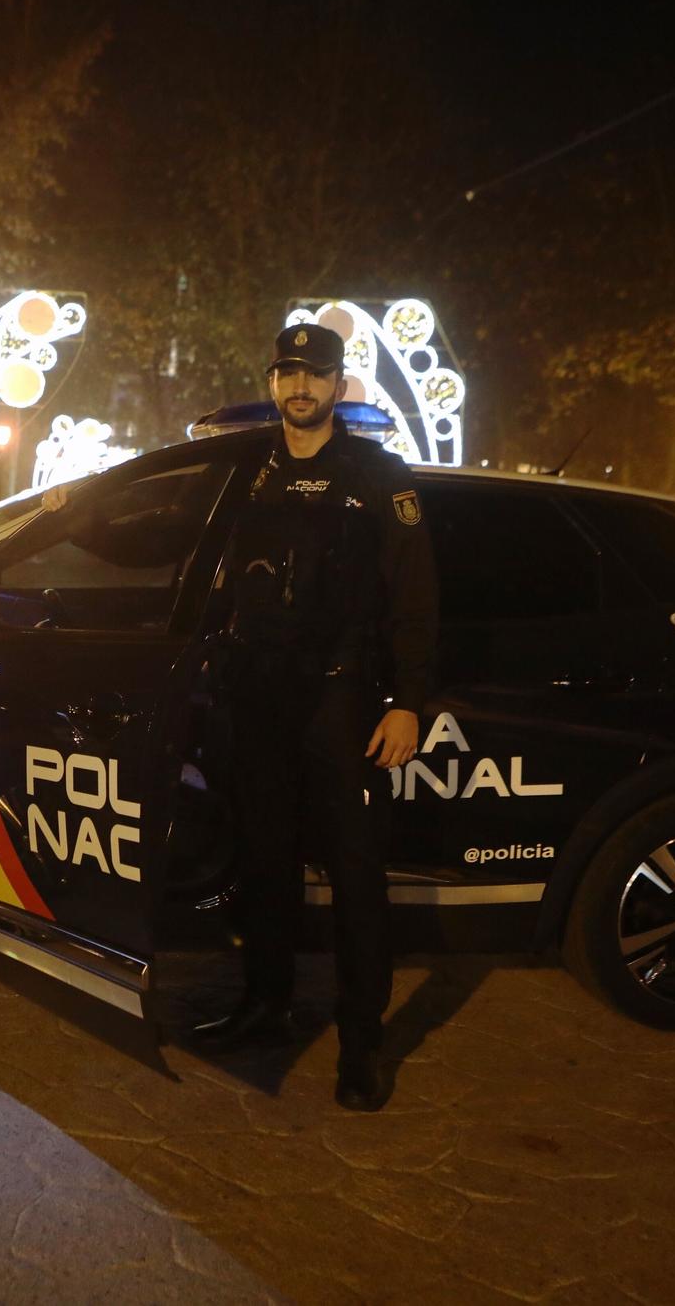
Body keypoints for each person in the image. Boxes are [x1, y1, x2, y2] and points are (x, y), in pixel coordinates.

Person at [189, 322, 437, 1111]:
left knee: (358, 878)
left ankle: (362, 1041)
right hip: (261, 700)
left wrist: (407, 704)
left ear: (338, 385)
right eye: (289, 372)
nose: (301, 386)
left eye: (316, 374)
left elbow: (416, 602)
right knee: (264, 864)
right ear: (272, 381)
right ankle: (267, 1004)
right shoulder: (245, 472)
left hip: (344, 702)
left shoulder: (374, 473)